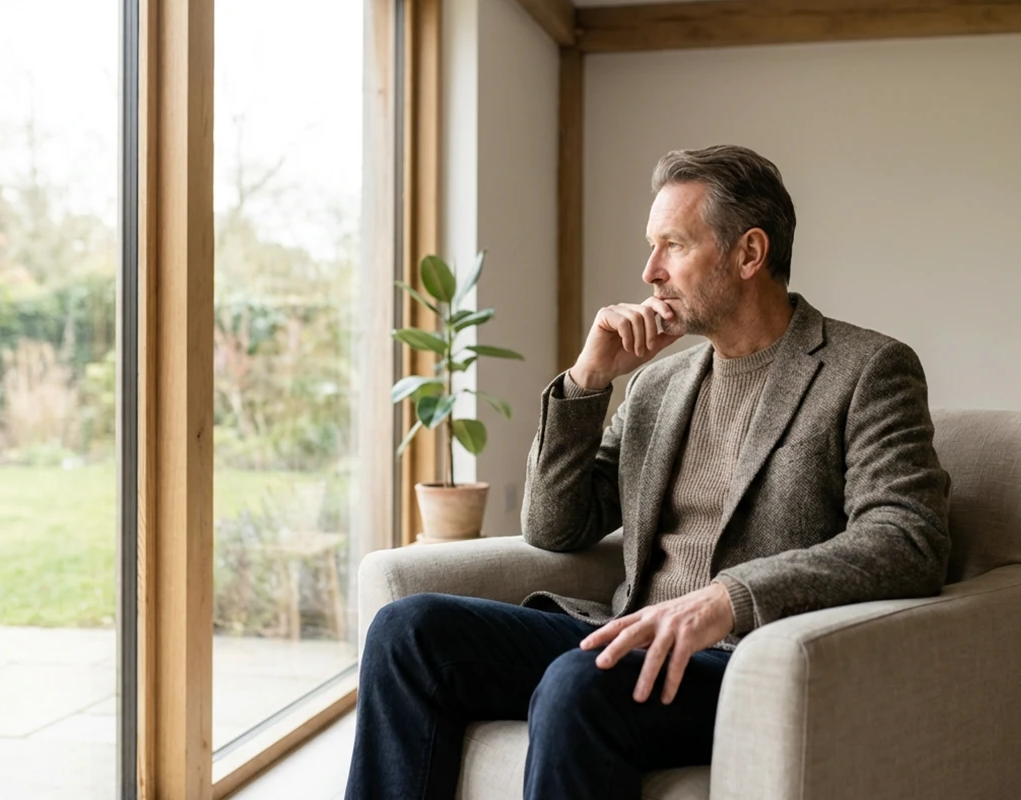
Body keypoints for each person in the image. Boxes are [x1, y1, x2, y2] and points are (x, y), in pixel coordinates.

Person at [345, 145, 951, 800]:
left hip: (745, 661)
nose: (649, 271)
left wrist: (729, 598)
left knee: (578, 684)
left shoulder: (867, 369)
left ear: (749, 255)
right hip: (629, 633)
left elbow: (907, 539)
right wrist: (588, 380)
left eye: (673, 246)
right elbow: (555, 527)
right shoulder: (659, 385)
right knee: (409, 631)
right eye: (650, 246)